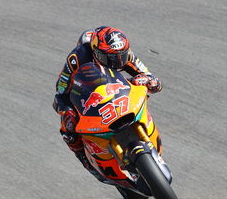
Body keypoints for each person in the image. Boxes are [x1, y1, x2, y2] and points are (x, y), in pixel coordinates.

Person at [53, 26, 162, 182]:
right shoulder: (77, 58)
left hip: (118, 92)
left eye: (120, 57)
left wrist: (148, 81)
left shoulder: (124, 54)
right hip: (87, 97)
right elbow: (61, 90)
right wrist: (66, 109)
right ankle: (85, 160)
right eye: (110, 59)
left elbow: (152, 78)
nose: (117, 62)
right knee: (67, 127)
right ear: (96, 52)